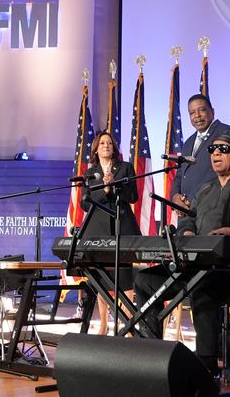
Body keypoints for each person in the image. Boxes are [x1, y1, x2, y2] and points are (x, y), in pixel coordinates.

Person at [135, 131, 230, 375]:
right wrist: (185, 233)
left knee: (204, 285)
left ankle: (206, 364)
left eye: (222, 149)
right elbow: (189, 220)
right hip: (197, 265)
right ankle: (150, 353)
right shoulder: (205, 189)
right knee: (144, 280)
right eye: (212, 149)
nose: (215, 153)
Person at [78, 131, 140, 335]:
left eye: (110, 143)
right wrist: (104, 191)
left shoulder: (125, 168)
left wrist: (114, 186)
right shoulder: (90, 173)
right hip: (98, 229)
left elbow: (133, 197)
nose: (106, 145)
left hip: (122, 226)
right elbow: (84, 203)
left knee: (124, 275)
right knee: (102, 277)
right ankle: (103, 324)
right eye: (102, 143)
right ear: (96, 148)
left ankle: (128, 323)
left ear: (114, 148)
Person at [171, 94, 230, 212]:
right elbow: (180, 174)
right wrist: (175, 197)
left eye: (202, 110)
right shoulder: (189, 142)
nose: (197, 116)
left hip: (212, 210)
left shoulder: (224, 132)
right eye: (192, 113)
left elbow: (228, 171)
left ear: (213, 112)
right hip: (187, 212)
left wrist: (195, 200)